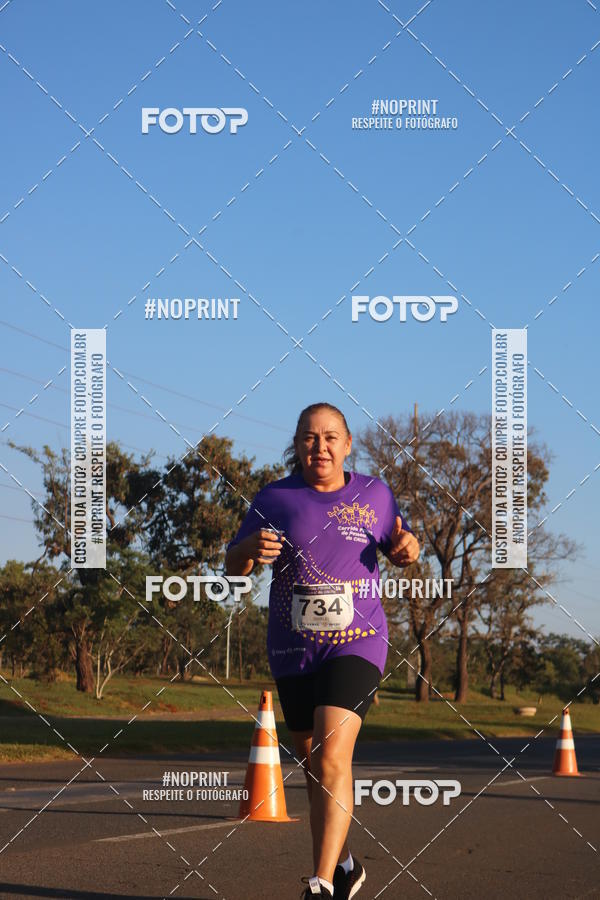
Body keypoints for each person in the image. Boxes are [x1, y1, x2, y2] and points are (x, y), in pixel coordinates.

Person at [225, 402, 419, 899]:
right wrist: (247, 552)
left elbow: (402, 541)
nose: (321, 446)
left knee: (332, 758)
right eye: (310, 437)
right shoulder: (275, 497)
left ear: (348, 444)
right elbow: (234, 565)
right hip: (293, 648)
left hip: (358, 643)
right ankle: (347, 865)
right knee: (316, 768)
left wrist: (408, 550)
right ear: (296, 444)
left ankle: (321, 884)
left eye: (331, 437)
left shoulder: (374, 494)